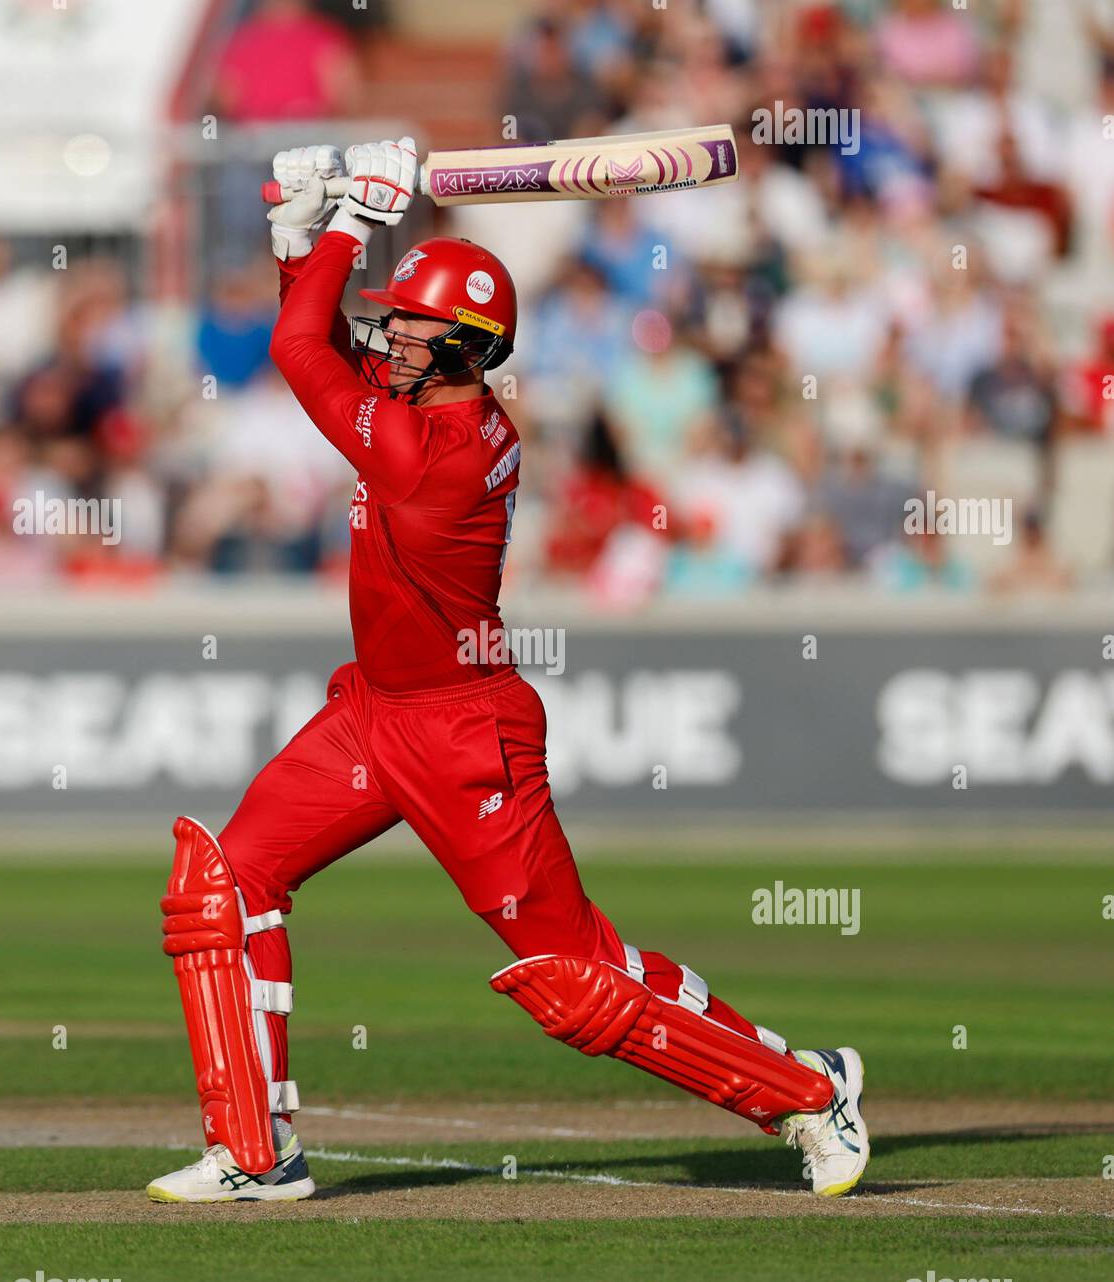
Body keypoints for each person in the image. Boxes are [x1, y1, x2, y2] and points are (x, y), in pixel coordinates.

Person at [148, 139, 869, 1204]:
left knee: (574, 979)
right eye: (389, 318)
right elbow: (313, 337)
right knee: (222, 884)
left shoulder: (428, 454)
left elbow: (302, 350)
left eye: (409, 326)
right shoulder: (420, 414)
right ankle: (254, 1155)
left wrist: (351, 225)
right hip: (375, 712)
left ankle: (805, 1089)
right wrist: (303, 237)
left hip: (459, 733)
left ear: (462, 351)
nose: (387, 334)